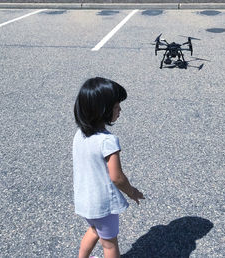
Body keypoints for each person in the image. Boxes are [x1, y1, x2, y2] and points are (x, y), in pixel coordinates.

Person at [73, 77, 145, 258]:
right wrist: (132, 192)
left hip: (84, 199)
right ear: (102, 111)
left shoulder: (80, 134)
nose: (120, 109)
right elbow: (117, 177)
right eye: (115, 106)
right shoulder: (108, 141)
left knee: (95, 230)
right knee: (110, 245)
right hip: (102, 204)